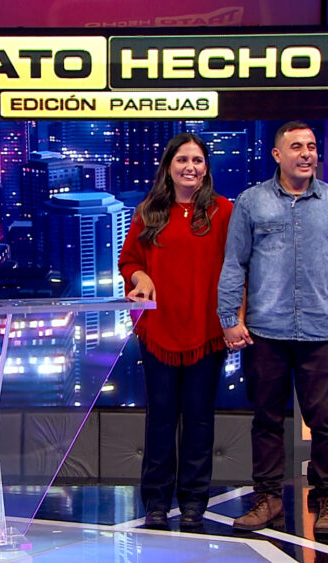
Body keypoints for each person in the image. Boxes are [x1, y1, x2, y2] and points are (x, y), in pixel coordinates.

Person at [217, 121, 328, 536]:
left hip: (319, 331)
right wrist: (229, 319)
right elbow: (234, 264)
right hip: (265, 332)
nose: (306, 154)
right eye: (297, 147)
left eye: (312, 146)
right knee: (266, 420)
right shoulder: (252, 202)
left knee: (327, 421)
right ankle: (267, 498)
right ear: (277, 155)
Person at [119, 132, 233, 530]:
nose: (190, 167)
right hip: (159, 330)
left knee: (199, 418)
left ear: (206, 168)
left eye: (197, 160)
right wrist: (141, 276)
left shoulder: (222, 211)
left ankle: (194, 501)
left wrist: (235, 318)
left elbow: (237, 266)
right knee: (161, 417)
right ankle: (155, 501)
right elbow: (129, 260)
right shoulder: (149, 211)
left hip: (207, 330)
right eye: (182, 159)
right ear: (169, 166)